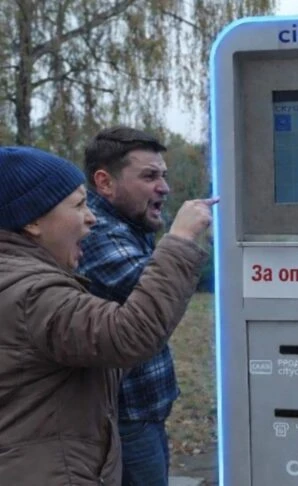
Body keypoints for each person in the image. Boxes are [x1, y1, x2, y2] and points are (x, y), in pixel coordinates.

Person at [0, 146, 216, 485]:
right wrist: (181, 240)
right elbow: (130, 333)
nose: (91, 218)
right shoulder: (32, 293)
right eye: (78, 205)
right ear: (32, 220)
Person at [77, 126, 179, 485]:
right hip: (125, 418)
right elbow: (157, 299)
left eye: (163, 176)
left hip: (144, 412)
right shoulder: (97, 232)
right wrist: (183, 238)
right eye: (149, 177)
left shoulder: (129, 225)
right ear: (105, 183)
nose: (164, 188)